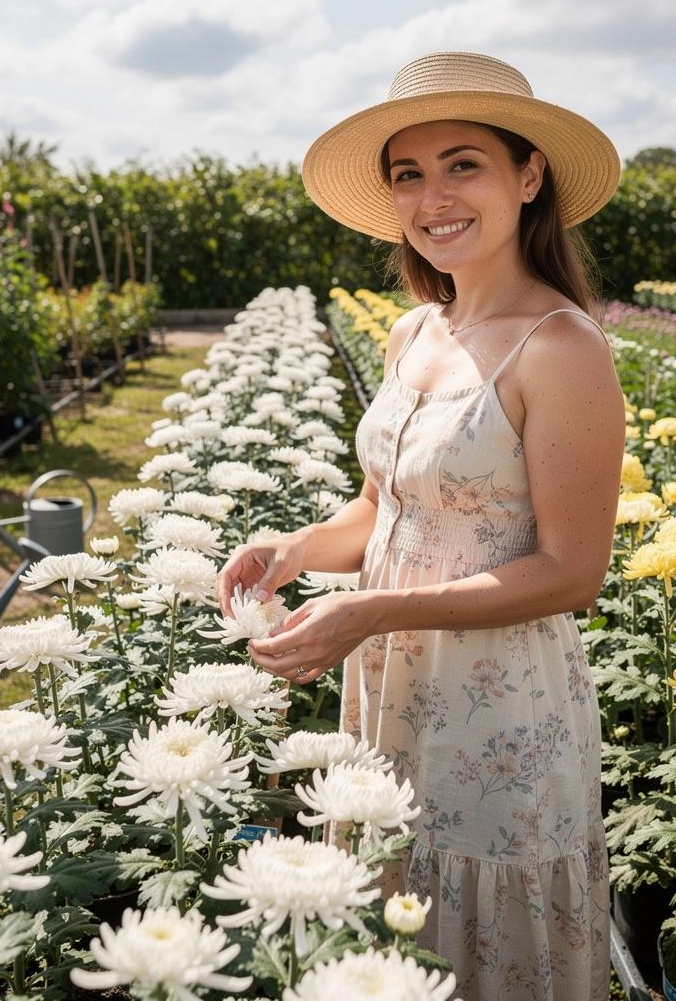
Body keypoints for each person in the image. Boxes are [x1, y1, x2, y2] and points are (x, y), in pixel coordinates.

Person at [217, 51, 626, 1001]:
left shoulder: (560, 348)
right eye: (409, 174)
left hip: (499, 700)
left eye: (463, 164)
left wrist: (367, 612)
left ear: (529, 177)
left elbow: (572, 572)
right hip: (394, 683)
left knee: (484, 928)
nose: (432, 195)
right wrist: (292, 551)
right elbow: (379, 510)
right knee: (393, 919)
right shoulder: (416, 331)